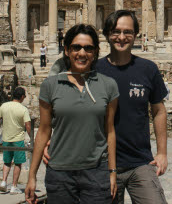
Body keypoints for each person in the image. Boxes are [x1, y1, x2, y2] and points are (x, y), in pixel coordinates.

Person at [43, 11, 169, 204]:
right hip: (101, 163)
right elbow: (69, 103)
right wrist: (51, 140)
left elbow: (159, 111)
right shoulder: (93, 69)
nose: (121, 37)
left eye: (128, 31)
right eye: (116, 31)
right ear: (107, 34)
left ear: (136, 34)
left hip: (140, 161)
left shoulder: (148, 69)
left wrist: (162, 152)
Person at [25, 24, 119, 204]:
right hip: (59, 172)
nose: (82, 53)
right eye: (76, 47)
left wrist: (112, 172)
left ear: (95, 52)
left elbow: (110, 131)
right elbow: (44, 131)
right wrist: (32, 175)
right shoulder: (50, 85)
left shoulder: (108, 85)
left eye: (88, 48)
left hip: (96, 171)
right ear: (67, 50)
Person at [0, 87, 31, 194]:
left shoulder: (4, 106)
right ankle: (14, 186)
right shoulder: (23, 109)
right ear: (22, 96)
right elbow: (28, 125)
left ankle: (3, 182)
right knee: (18, 163)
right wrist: (32, 138)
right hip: (18, 139)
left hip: (6, 138)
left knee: (7, 161)